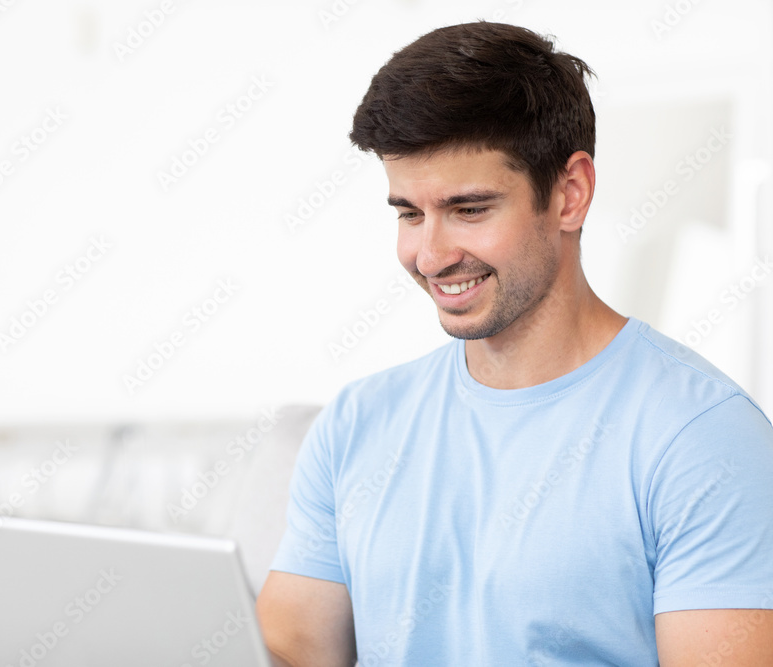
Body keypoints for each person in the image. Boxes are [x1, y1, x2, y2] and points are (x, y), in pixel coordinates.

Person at [255, 21, 773, 667]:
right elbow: (288, 651)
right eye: (409, 213)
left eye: (469, 209)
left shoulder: (702, 436)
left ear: (569, 194)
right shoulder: (359, 421)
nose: (431, 255)